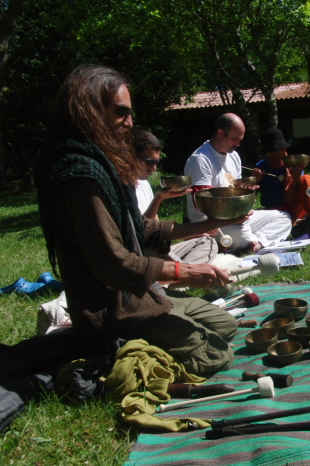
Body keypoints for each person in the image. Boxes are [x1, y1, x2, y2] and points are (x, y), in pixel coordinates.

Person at [35, 64, 248, 376]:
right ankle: (118, 351)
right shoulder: (80, 177)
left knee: (225, 325)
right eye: (121, 112)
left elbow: (141, 229)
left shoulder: (102, 165)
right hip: (113, 311)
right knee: (216, 357)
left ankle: (164, 330)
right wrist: (183, 270)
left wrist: (207, 223)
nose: (129, 122)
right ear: (89, 111)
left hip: (143, 295)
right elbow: (113, 263)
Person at [184, 113, 292, 252]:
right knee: (243, 236)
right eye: (235, 139)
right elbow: (203, 203)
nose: (238, 144)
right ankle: (249, 242)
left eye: (240, 140)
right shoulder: (200, 160)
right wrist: (233, 219)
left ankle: (255, 243)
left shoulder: (234, 156)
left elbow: (234, 190)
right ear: (220, 133)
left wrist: (244, 190)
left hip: (235, 217)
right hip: (209, 222)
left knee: (283, 217)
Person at [131, 127, 218, 264]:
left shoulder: (144, 184)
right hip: (141, 253)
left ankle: (179, 274)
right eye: (149, 162)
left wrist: (189, 233)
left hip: (156, 249)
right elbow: (141, 234)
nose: (154, 168)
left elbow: (156, 227)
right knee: (158, 254)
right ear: (131, 156)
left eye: (156, 163)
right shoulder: (121, 187)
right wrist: (159, 198)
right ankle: (182, 274)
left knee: (207, 241)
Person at [253, 127, 310, 221]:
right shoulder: (260, 167)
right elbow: (251, 198)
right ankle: (294, 221)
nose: (274, 154)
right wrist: (255, 181)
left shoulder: (293, 163)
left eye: (277, 150)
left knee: (306, 178)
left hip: (294, 207)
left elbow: (292, 199)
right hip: (274, 211)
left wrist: (295, 179)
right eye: (271, 151)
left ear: (284, 148)